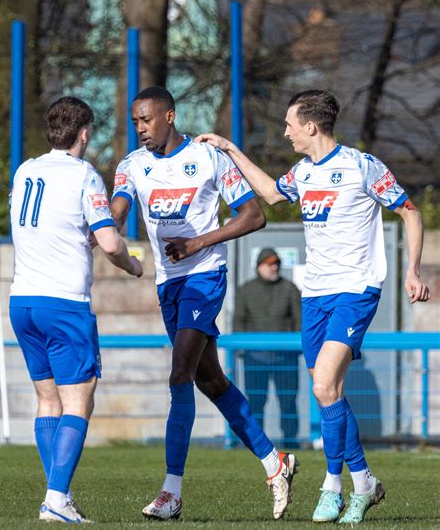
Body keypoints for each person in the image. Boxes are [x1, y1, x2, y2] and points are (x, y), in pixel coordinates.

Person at [197, 89, 430, 525]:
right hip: (316, 295)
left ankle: (332, 484)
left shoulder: (362, 166)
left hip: (356, 291)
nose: (285, 132)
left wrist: (412, 272)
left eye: (289, 124)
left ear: (311, 126)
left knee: (324, 386)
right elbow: (269, 193)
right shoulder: (303, 172)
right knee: (330, 394)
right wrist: (230, 149)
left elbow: (411, 213)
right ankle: (365, 484)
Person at [111, 86, 299, 521]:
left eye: (147, 119)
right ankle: (276, 463)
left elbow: (255, 215)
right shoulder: (131, 165)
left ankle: (171, 491)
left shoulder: (208, 158)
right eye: (135, 121)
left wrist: (199, 241)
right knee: (209, 380)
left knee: (180, 374)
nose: (140, 128)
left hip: (204, 277)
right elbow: (119, 209)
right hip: (168, 284)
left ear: (170, 116)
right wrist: (103, 227)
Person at [9, 96, 142, 524]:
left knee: (48, 400)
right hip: (63, 303)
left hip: (22, 300)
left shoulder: (26, 169)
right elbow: (108, 242)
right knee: (78, 402)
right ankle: (56, 498)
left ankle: (56, 496)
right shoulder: (84, 175)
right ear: (84, 133)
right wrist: (133, 264)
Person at [233, 247, 301, 449]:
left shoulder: (290, 289)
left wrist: (295, 348)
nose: (274, 267)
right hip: (254, 358)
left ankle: (291, 443)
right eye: (269, 263)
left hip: (285, 357)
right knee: (255, 403)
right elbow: (238, 320)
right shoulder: (245, 290)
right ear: (258, 266)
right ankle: (256, 445)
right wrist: (243, 350)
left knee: (288, 402)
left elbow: (299, 321)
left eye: (277, 263)